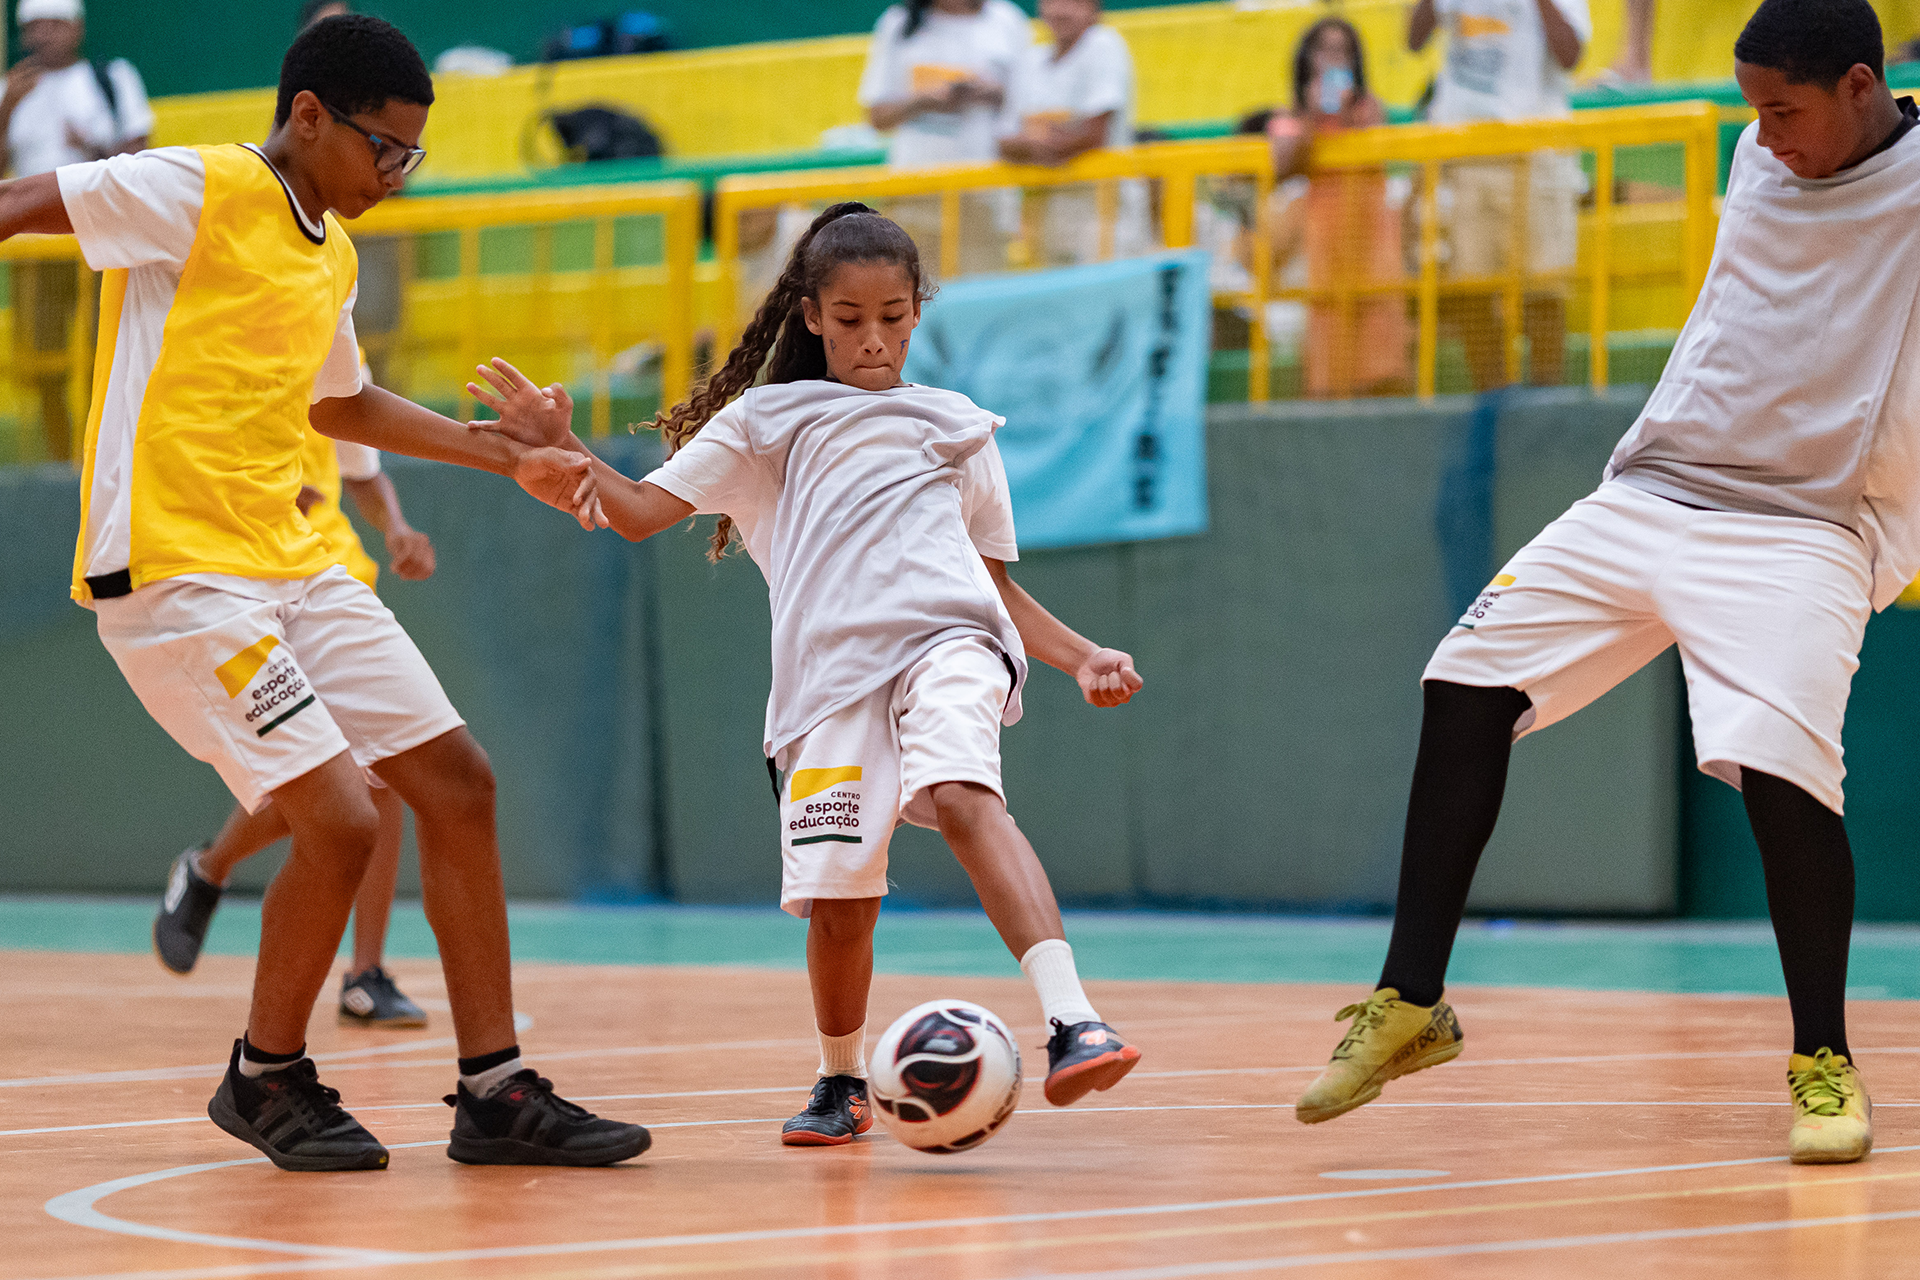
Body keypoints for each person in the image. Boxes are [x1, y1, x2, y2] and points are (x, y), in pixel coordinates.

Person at [0, 14, 648, 1171]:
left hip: (290, 563)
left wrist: (502, 453)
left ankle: (494, 1089)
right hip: (174, 571)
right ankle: (267, 1073)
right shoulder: (197, 186)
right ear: (308, 117)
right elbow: (13, 203)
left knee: (456, 783)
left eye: (412, 155)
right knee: (343, 816)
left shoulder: (331, 251)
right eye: (382, 149)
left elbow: (340, 405)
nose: (395, 176)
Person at [1294, 0, 1916, 1168]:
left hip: (1805, 524)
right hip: (1651, 492)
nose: (1766, 134)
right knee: (1464, 679)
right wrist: (1775, 126)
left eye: (1787, 109)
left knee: (1784, 773)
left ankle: (1823, 1059)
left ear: (1862, 86)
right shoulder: (1755, 153)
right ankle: (1411, 999)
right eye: (1754, 110)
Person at [473, 202, 1146, 1147]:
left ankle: (1075, 1021)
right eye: (851, 318)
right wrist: (567, 447)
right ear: (811, 315)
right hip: (827, 684)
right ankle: (841, 1083)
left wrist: (1082, 656)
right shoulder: (766, 421)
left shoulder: (956, 426)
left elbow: (992, 588)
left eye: (894, 316)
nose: (874, 338)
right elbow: (631, 512)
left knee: (959, 794)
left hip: (950, 645)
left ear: (918, 311)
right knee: (840, 903)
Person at [154, 421, 438, 1031]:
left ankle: (365, 974)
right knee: (328, 777)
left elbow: (362, 471)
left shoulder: (334, 347)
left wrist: (395, 526)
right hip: (249, 585)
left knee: (383, 766)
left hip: (335, 581)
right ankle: (210, 868)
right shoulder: (228, 351)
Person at [1409, 0, 1589, 391]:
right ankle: (1492, 409)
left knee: (1542, 294)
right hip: (1465, 150)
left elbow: (1571, 54)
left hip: (1537, 150)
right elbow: (1413, 39)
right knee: (1471, 296)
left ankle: (1546, 410)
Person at [2, 0, 151, 461]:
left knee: (99, 355)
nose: (42, 36)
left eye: (53, 25)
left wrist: (92, 146)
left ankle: (101, 456)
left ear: (77, 28)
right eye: (33, 27)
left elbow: (141, 154)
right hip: (34, 253)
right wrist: (6, 110)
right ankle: (58, 459)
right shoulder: (11, 88)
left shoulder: (112, 78)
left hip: (97, 243)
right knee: (43, 362)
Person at [1263, 17, 1410, 397]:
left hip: (1373, 240)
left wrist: (1345, 114)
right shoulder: (1289, 119)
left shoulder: (1369, 109)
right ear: (1306, 59)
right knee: (1330, 355)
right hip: (1325, 248)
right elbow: (1284, 167)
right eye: (1323, 50)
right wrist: (1313, 118)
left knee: (1381, 353)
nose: (1332, 59)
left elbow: (1381, 151)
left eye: (1341, 50)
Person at [857, 0, 1032, 276]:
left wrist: (992, 93)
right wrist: (923, 101)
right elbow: (878, 116)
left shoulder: (1007, 21)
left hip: (983, 190)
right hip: (915, 188)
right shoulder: (898, 23)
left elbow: (1029, 106)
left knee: (980, 287)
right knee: (917, 290)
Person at [996, 0, 1152, 266]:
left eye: (1073, 2)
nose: (1060, 10)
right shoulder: (1032, 60)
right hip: (1047, 216)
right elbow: (1004, 143)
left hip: (1104, 212)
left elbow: (1093, 134)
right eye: (1052, 2)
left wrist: (1036, 141)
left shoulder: (1103, 44)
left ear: (1094, 8)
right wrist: (1052, 139)